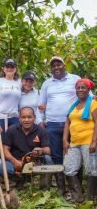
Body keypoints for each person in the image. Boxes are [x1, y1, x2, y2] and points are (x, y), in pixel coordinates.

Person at [38, 56, 80, 194]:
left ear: (64, 65)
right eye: (53, 66)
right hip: (53, 123)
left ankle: (75, 189)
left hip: (73, 123)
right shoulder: (47, 83)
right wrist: (40, 121)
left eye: (58, 64)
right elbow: (41, 105)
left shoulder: (74, 79)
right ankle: (61, 188)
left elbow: (88, 96)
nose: (56, 67)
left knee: (74, 153)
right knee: (56, 155)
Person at [63, 79, 97, 202]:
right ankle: (78, 197)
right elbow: (67, 123)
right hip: (74, 142)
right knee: (69, 168)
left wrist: (94, 141)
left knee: (91, 170)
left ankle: (90, 199)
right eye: (78, 88)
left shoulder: (93, 104)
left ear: (88, 90)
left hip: (88, 142)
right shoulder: (74, 105)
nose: (80, 90)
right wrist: (64, 140)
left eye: (83, 88)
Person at [3, 107, 53, 188]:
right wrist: (14, 161)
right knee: (0, 164)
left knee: (48, 158)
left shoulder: (41, 131)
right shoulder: (12, 129)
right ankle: (14, 180)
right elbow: (5, 149)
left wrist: (41, 150)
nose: (26, 120)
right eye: (23, 117)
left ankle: (45, 187)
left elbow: (48, 150)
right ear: (19, 118)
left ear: (34, 117)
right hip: (16, 163)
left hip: (34, 163)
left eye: (29, 117)